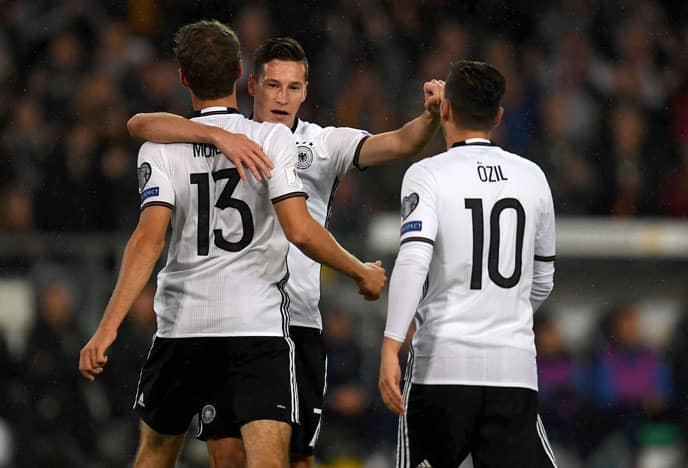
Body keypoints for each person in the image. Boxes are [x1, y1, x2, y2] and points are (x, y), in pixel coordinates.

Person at [79, 21, 385, 468]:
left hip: (183, 326)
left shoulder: (159, 148)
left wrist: (108, 327)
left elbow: (148, 240)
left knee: (156, 457)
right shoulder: (271, 138)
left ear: (183, 78)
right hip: (254, 327)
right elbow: (299, 231)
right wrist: (359, 270)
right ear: (242, 73)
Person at [126, 37, 442, 468]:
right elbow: (144, 125)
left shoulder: (324, 145)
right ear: (251, 85)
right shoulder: (228, 137)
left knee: (297, 460)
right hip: (238, 320)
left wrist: (428, 118)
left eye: (293, 88)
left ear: (306, 92)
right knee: (227, 454)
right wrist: (215, 134)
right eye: (273, 85)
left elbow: (401, 143)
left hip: (298, 322)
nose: (282, 97)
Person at [378, 60, 558, 468]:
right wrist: (498, 315)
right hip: (512, 372)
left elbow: (413, 259)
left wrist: (391, 345)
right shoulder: (533, 177)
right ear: (498, 117)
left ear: (444, 109)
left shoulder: (427, 174)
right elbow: (543, 279)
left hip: (442, 369)